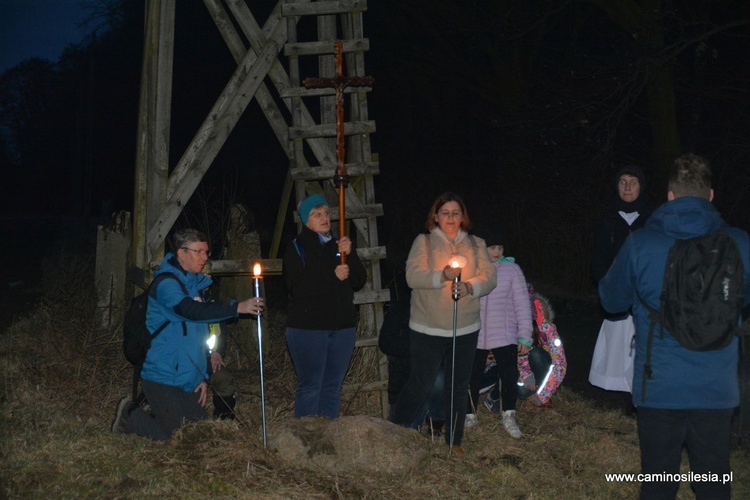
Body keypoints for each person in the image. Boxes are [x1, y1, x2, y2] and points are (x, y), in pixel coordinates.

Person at [598, 154, 750, 499]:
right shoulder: (740, 244)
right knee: (714, 480)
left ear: (669, 195)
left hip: (659, 384)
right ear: (710, 195)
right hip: (717, 385)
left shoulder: (641, 243)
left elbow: (611, 301)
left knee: (658, 480)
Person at [111, 228, 264, 440]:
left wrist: (202, 376)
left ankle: (157, 415)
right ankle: (130, 414)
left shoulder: (197, 287)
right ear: (181, 253)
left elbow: (200, 339)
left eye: (206, 252)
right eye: (199, 252)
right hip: (161, 378)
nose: (205, 257)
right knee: (181, 439)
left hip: (188, 381)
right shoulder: (165, 285)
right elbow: (190, 311)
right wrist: (236, 308)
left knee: (204, 436)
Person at [392, 192, 497, 455]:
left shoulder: (476, 244)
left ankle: (454, 440)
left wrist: (471, 286)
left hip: (465, 328)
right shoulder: (424, 242)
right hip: (427, 327)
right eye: (445, 213)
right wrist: (442, 276)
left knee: (458, 384)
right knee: (421, 381)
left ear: (463, 217)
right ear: (436, 216)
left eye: (455, 213)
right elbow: (412, 276)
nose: (451, 218)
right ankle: (394, 430)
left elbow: (490, 277)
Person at [283, 194, 367, 419]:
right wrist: (332, 277)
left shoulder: (339, 245)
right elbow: (297, 288)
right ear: (305, 220)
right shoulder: (297, 249)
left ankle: (329, 434)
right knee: (311, 386)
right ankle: (308, 437)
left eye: (326, 213)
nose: (324, 218)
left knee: (332, 386)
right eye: (316, 214)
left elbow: (358, 281)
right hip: (309, 328)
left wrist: (351, 255)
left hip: (342, 328)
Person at [589, 165, 652, 394]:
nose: (627, 187)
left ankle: (637, 387)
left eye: (633, 182)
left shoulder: (650, 219)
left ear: (640, 187)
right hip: (617, 293)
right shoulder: (608, 220)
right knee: (616, 343)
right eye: (623, 181)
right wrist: (607, 286)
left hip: (643, 293)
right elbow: (599, 259)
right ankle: (613, 386)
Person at [465, 233, 531, 438]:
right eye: (492, 247)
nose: (496, 252)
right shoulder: (471, 269)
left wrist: (525, 336)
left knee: (509, 375)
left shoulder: (512, 270)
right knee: (472, 375)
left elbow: (522, 304)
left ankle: (508, 414)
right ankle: (469, 413)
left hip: (505, 331)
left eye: (500, 248)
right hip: (476, 331)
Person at [378, 264, 445, 435]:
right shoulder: (399, 309)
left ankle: (436, 420)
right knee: (402, 432)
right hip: (404, 375)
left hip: (429, 373)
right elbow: (385, 343)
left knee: (439, 378)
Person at [517, 292, 566, 407]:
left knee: (536, 354)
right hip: (530, 375)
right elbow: (520, 355)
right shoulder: (522, 329)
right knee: (521, 392)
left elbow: (560, 366)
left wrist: (542, 396)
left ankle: (544, 392)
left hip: (546, 371)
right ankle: (535, 389)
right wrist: (527, 376)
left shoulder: (549, 331)